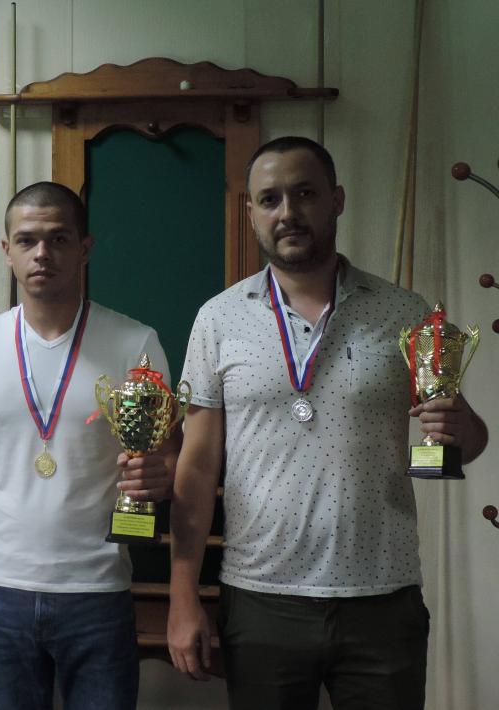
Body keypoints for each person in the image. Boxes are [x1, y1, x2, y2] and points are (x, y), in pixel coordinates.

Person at [167, 136, 489, 709]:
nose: (288, 212)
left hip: (382, 600)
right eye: (270, 199)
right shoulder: (218, 319)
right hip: (261, 598)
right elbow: (195, 469)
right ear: (251, 213)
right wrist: (182, 594)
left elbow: (463, 438)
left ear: (336, 200)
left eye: (305, 194)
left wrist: (464, 431)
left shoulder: (405, 312)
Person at [0, 182, 177, 710]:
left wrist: (161, 474)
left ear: (84, 248)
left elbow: (171, 457)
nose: (42, 253)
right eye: (27, 240)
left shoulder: (136, 342)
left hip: (97, 590)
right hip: (1, 589)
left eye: (58, 239)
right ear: (7, 250)